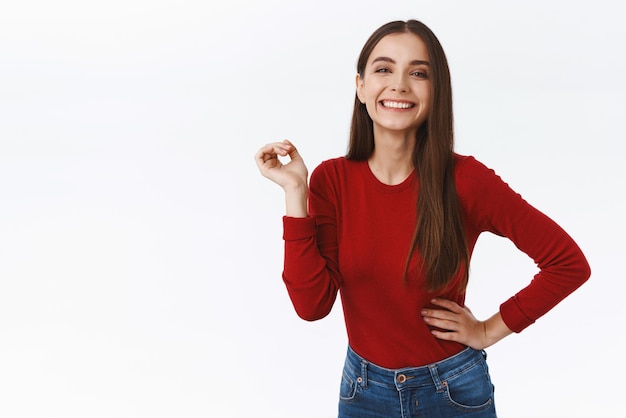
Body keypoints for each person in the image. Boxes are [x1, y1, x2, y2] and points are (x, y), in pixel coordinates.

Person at [254, 19, 590, 417]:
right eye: (383, 69)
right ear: (361, 86)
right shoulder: (331, 180)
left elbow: (568, 264)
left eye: (418, 73)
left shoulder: (466, 180)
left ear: (437, 91)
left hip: (452, 392)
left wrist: (488, 330)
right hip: (363, 393)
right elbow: (312, 306)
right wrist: (296, 193)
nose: (399, 84)